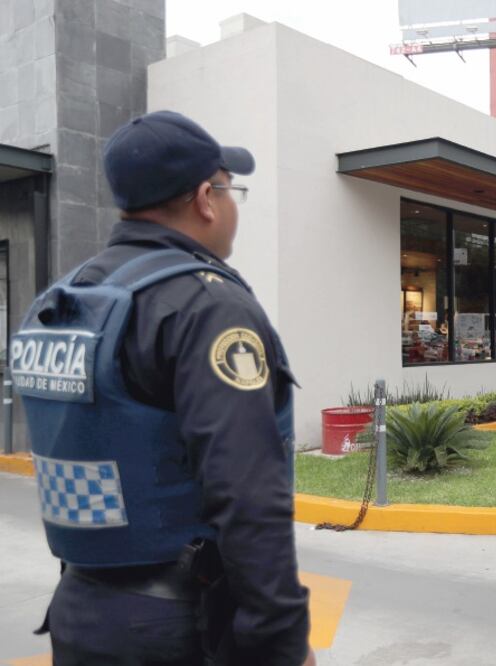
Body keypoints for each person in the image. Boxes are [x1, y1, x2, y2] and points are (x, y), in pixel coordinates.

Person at [11, 111, 313, 665]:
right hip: (177, 627)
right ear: (206, 198)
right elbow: (246, 492)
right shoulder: (206, 306)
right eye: (231, 191)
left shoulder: (64, 301)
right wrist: (282, 643)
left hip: (80, 610)